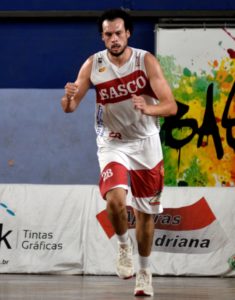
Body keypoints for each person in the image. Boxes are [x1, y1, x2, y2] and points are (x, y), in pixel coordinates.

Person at [61, 8, 177, 296]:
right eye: (108, 34)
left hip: (146, 143)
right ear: (103, 36)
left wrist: (149, 108)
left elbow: (171, 106)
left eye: (118, 33)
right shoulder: (93, 65)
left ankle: (145, 273)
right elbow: (70, 107)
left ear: (128, 34)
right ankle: (123, 247)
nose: (113, 38)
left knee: (146, 215)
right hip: (112, 142)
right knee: (115, 198)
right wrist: (67, 96)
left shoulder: (144, 61)